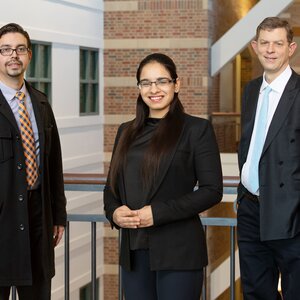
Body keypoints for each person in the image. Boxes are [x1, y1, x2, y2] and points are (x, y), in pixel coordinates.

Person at [104, 53, 223, 300]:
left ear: (176, 84)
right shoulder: (125, 131)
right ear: (138, 88)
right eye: (146, 82)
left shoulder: (196, 129)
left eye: (162, 81)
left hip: (178, 251)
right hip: (134, 252)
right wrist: (114, 212)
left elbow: (212, 190)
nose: (153, 89)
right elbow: (111, 189)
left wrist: (157, 213)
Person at [0, 23, 66, 300]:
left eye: (20, 49)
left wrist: (58, 216)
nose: (13, 55)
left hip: (38, 220)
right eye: (5, 49)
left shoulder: (41, 103)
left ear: (29, 55)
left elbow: (54, 164)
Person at [237, 17, 300, 299]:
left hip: (291, 214)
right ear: (255, 46)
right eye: (264, 43)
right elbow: (249, 147)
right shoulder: (251, 90)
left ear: (291, 48)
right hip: (250, 210)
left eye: (278, 43)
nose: (270, 50)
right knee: (256, 292)